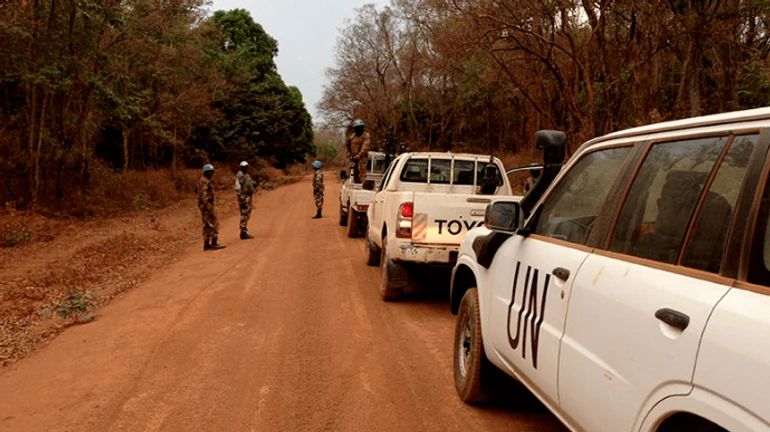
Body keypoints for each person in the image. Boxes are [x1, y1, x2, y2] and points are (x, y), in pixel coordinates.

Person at [197, 164, 225, 251]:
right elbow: (203, 196)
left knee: (206, 225)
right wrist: (209, 206)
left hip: (205, 206)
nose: (211, 174)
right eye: (209, 172)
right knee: (214, 223)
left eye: (212, 172)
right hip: (207, 206)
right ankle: (213, 243)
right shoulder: (204, 181)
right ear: (205, 172)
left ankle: (206, 244)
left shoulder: (204, 180)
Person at [234, 161, 256, 240]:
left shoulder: (246, 175)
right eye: (244, 166)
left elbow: (248, 183)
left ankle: (244, 230)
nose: (246, 168)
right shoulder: (240, 175)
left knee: (247, 213)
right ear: (241, 167)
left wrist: (254, 183)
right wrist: (242, 198)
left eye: (246, 166)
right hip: (244, 197)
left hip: (248, 197)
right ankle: (243, 232)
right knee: (244, 214)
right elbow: (238, 188)